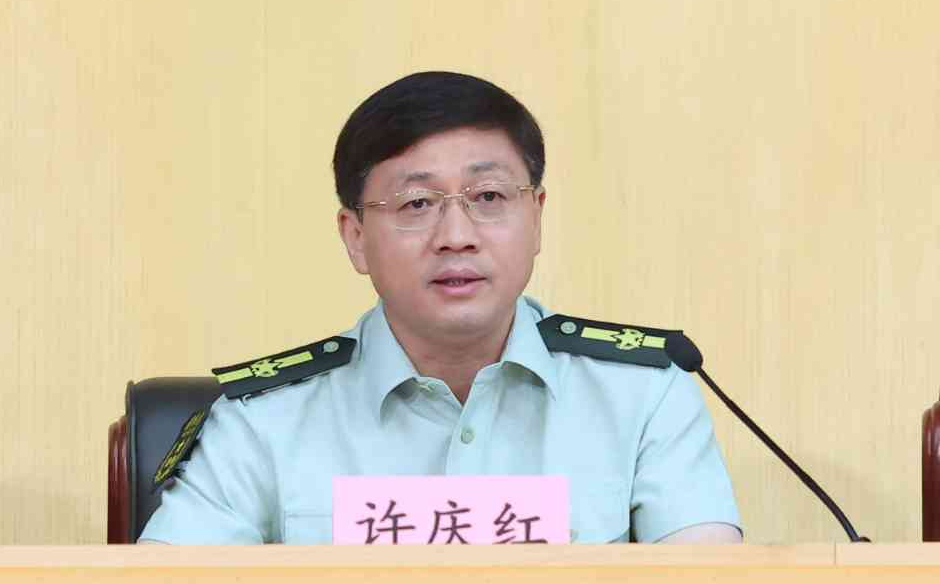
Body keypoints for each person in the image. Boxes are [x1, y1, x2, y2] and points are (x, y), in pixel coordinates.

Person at [138, 71, 741, 545]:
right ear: (355, 237)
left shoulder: (643, 395)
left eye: (489, 196)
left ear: (536, 217)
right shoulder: (262, 420)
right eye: (417, 203)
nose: (457, 236)